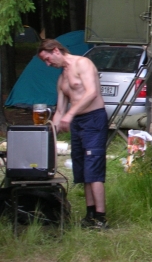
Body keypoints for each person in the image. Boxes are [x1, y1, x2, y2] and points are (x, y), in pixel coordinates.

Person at [37, 39, 109, 229]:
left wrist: (70, 114)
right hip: (77, 122)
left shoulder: (82, 63)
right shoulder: (62, 79)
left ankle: (101, 218)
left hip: (93, 119)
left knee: (93, 167)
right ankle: (90, 214)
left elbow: (92, 93)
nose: (48, 64)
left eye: (47, 59)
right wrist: (47, 135)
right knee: (82, 169)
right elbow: (60, 110)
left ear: (55, 51)